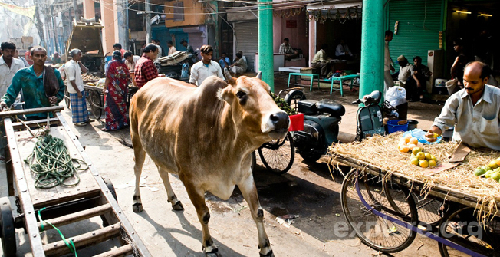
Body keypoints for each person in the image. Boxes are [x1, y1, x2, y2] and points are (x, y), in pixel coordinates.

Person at [426, 61, 500, 150]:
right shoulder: (456, 98)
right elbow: (442, 121)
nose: (468, 85)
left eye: (473, 82)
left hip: (492, 152)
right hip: (461, 150)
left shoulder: (497, 97)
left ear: (485, 80)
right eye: (465, 81)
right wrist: (433, 132)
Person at [1, 46, 64, 116]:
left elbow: (61, 90)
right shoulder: (22, 74)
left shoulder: (54, 73)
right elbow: (12, 92)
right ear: (31, 57)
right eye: (37, 55)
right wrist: (4, 102)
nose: (40, 58)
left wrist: (57, 98)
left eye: (42, 56)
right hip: (31, 114)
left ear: (45, 57)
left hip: (51, 114)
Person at [103, 51, 130, 131]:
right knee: (122, 107)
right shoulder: (124, 65)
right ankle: (123, 123)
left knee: (111, 107)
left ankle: (113, 125)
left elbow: (108, 77)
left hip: (113, 91)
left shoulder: (111, 64)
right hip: (123, 90)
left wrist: (104, 87)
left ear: (113, 56)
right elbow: (128, 77)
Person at [65, 48, 90, 126]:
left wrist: (80, 63)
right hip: (75, 89)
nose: (81, 56)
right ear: (75, 55)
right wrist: (78, 91)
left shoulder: (77, 63)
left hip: (80, 87)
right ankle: (77, 121)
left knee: (82, 105)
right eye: (79, 54)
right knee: (77, 106)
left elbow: (85, 71)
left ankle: (84, 119)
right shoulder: (70, 66)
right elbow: (72, 80)